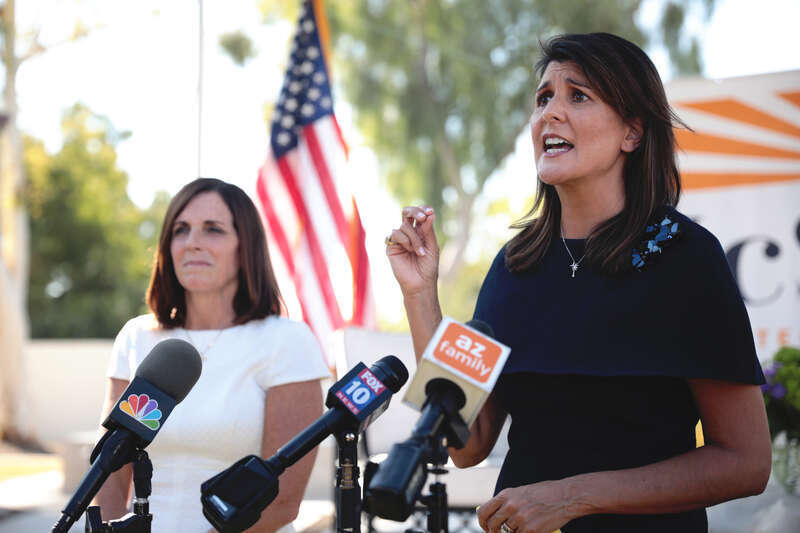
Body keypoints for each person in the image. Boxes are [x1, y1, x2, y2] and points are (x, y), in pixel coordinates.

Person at [385, 33, 771, 533]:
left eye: (578, 96)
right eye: (543, 97)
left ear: (632, 132)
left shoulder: (686, 257)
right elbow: (468, 443)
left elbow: (746, 462)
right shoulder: (512, 265)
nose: (550, 113)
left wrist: (573, 497)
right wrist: (420, 295)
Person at [94, 178, 330, 532]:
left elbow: (281, 500)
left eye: (213, 230)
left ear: (245, 246)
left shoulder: (287, 341)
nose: (192, 243)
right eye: (181, 230)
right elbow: (111, 471)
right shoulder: (137, 337)